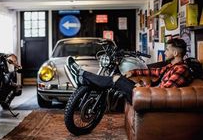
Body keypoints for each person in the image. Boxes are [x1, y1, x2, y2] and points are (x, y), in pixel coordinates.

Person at [64, 38, 192, 103]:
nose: (165, 52)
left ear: (175, 53)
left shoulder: (181, 70)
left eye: (168, 50)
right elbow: (154, 72)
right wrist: (134, 72)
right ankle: (84, 79)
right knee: (118, 79)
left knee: (116, 79)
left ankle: (83, 75)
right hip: (148, 94)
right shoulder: (172, 66)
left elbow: (165, 91)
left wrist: (143, 88)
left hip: (149, 98)